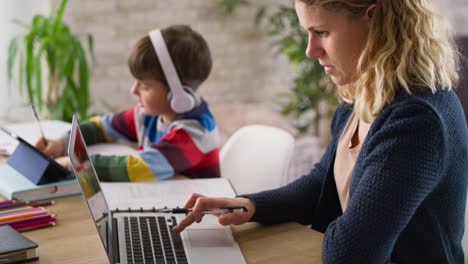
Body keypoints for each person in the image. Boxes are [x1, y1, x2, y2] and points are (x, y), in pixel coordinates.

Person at [173, 1, 468, 263]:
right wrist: (250, 205)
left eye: (322, 33)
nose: (310, 50)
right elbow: (320, 184)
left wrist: (343, 226)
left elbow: (351, 253)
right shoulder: (361, 97)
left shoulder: (417, 121)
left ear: (374, 20)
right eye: (308, 33)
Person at [34, 24, 221, 182]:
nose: (133, 90)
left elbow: (138, 168)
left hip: (195, 216)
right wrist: (61, 144)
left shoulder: (195, 133)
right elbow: (103, 126)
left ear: (178, 95)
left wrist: (76, 165)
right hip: (163, 196)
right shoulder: (147, 115)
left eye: (145, 86)